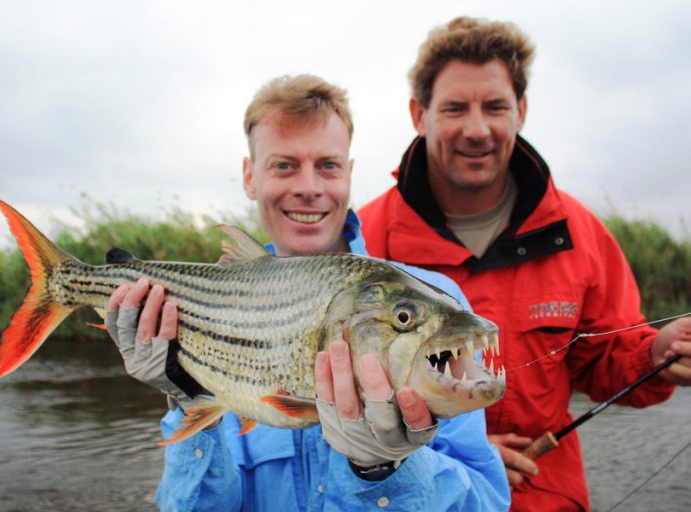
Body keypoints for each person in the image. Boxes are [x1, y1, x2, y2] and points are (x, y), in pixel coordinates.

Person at [105, 75, 511, 511]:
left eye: (328, 165)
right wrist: (189, 402)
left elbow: (487, 501)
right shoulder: (204, 306)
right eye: (284, 165)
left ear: (349, 174)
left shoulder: (438, 297)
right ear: (250, 176)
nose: (309, 187)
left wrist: (384, 469)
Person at [358, 16, 691, 512]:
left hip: (545, 497)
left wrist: (656, 355)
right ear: (418, 114)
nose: (477, 129)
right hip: (413, 497)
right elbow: (328, 395)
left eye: (495, 106)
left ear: (522, 110)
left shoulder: (579, 234)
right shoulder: (364, 239)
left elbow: (604, 361)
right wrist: (455, 453)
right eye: (454, 108)